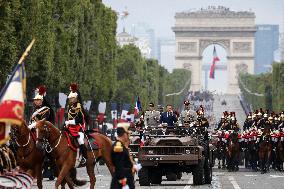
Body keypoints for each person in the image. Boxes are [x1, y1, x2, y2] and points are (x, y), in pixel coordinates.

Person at [111, 122, 140, 189]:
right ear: (124, 134)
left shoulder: (122, 146)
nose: (128, 136)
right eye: (127, 134)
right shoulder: (118, 147)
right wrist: (123, 183)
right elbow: (119, 166)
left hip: (127, 178)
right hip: (123, 181)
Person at [65, 85, 87, 167]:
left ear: (76, 99)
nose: (71, 100)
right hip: (70, 126)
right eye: (70, 98)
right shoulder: (69, 107)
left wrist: (69, 122)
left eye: (72, 98)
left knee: (80, 140)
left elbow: (80, 120)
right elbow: (67, 117)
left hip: (78, 127)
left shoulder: (79, 107)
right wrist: (66, 123)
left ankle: (84, 157)